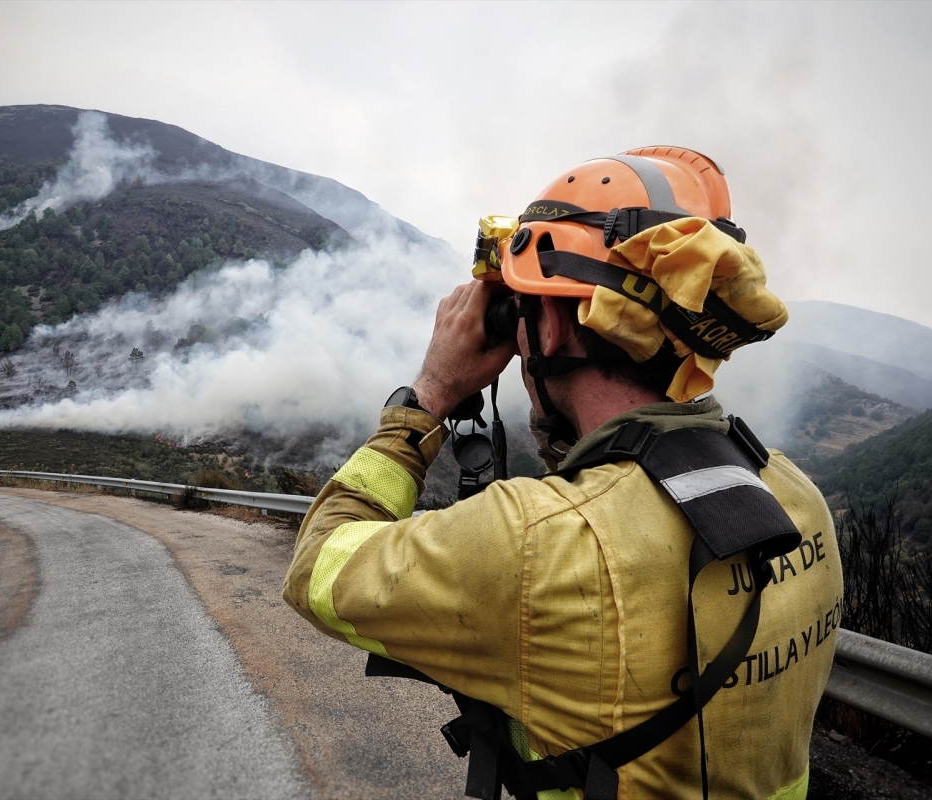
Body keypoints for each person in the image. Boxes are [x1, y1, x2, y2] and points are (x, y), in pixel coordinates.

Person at [283, 147, 843, 800]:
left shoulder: (534, 543)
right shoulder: (798, 499)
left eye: (526, 312)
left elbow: (316, 564)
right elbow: (617, 498)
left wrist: (430, 394)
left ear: (547, 325)